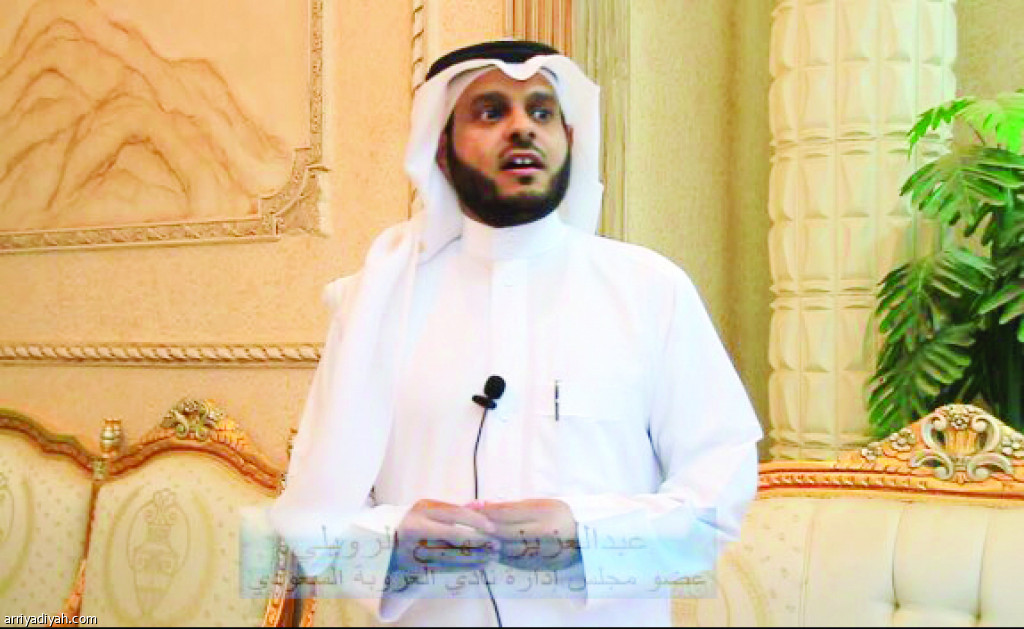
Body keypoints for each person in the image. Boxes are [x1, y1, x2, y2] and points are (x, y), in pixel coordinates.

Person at [270, 40, 762, 627]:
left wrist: (585, 537)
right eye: (490, 112)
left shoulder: (651, 291)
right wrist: (393, 544)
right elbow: (311, 518)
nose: (522, 128)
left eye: (541, 112)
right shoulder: (375, 305)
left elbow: (718, 495)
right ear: (442, 150)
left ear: (569, 139)